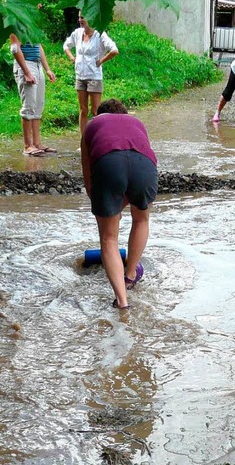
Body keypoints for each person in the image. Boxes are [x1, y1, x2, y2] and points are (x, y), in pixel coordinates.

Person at [81, 99, 158, 310]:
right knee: (141, 219)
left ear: (100, 114)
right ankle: (131, 274)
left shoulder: (92, 125)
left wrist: (109, 208)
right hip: (146, 167)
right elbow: (134, 159)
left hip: (108, 165)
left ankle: (122, 302)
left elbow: (89, 180)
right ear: (124, 113)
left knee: (108, 237)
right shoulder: (137, 123)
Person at [10, 0, 57, 157]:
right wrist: (26, 72)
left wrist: (48, 68)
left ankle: (37, 143)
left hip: (36, 64)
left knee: (38, 106)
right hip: (26, 65)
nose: (40, 6)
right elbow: (15, 49)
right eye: (38, 2)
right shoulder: (17, 20)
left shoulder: (33, 21)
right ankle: (27, 145)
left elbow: (39, 46)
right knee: (28, 106)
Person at [63, 11, 119, 137]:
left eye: (82, 17)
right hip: (80, 76)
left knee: (96, 110)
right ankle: (84, 140)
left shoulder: (100, 34)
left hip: (94, 77)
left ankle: (101, 138)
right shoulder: (77, 33)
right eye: (79, 17)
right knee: (83, 110)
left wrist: (101, 61)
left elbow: (114, 50)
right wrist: (72, 57)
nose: (80, 20)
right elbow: (66, 45)